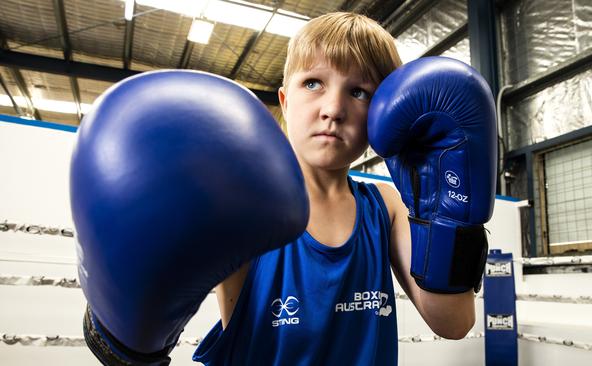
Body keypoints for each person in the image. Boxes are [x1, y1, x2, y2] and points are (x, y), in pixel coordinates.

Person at [192, 11, 497, 365]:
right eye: (312, 83)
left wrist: (446, 209)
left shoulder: (388, 208)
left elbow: (455, 323)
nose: (333, 109)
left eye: (358, 92)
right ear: (285, 101)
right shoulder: (244, 207)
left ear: (384, 114)